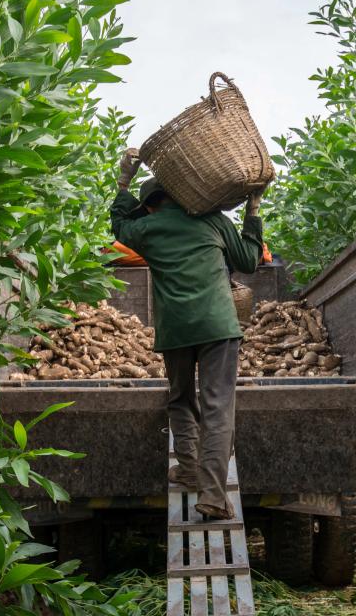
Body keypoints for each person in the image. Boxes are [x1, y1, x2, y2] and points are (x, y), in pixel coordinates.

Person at [110, 149, 264, 520]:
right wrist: (253, 212)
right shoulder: (212, 220)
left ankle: (191, 469)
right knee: (217, 405)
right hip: (218, 327)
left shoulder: (146, 229)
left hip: (177, 329)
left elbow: (119, 224)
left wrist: (124, 181)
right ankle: (212, 493)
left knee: (181, 399)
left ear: (150, 206)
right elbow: (249, 261)